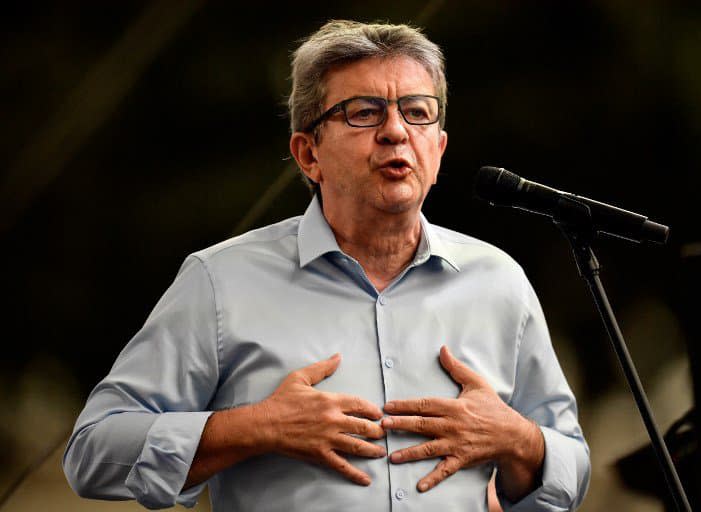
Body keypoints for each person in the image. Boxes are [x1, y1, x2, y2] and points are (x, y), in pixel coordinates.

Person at [63, 20, 590, 511]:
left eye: (417, 111)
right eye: (363, 111)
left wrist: (515, 440)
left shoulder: (498, 281)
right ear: (308, 153)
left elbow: (571, 464)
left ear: (439, 148)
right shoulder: (220, 282)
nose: (395, 131)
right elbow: (93, 450)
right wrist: (256, 427)